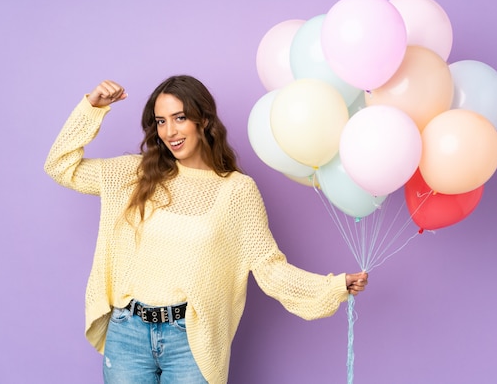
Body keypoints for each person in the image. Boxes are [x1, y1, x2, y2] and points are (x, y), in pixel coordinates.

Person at [44, 75, 368, 384]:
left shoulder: (237, 191)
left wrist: (332, 287)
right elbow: (60, 166)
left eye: (180, 117)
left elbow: (270, 269)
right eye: (161, 121)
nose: (170, 131)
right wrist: (93, 106)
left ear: (204, 121)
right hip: (127, 332)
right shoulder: (135, 174)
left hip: (190, 340)